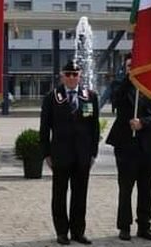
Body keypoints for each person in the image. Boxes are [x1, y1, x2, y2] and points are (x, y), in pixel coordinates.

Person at [40, 60, 100, 245]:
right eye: (68, 74)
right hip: (60, 154)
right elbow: (44, 128)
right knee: (59, 194)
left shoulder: (89, 96)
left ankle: (78, 231)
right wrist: (46, 154)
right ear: (62, 75)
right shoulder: (52, 97)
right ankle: (61, 232)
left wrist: (93, 153)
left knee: (80, 195)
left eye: (75, 74)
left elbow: (94, 127)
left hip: (83, 155)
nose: (72, 77)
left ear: (80, 75)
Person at [105, 53, 151, 241]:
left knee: (147, 189)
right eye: (130, 66)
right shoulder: (119, 85)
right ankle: (124, 226)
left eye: (136, 66)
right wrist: (130, 80)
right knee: (126, 189)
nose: (133, 69)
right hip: (125, 145)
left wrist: (144, 122)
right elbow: (116, 101)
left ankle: (145, 225)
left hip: (148, 145)